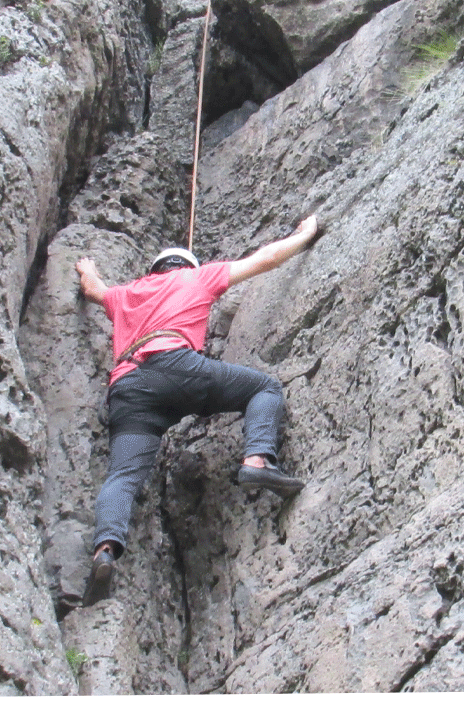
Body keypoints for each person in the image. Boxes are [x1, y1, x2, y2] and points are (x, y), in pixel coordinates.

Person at [72, 214, 321, 603]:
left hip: (128, 386)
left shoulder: (127, 294)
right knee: (264, 387)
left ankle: (105, 550)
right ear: (187, 265)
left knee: (122, 475)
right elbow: (266, 259)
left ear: (154, 269)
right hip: (177, 366)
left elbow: (93, 290)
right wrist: (304, 235)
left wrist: (87, 268)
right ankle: (257, 462)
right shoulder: (197, 276)